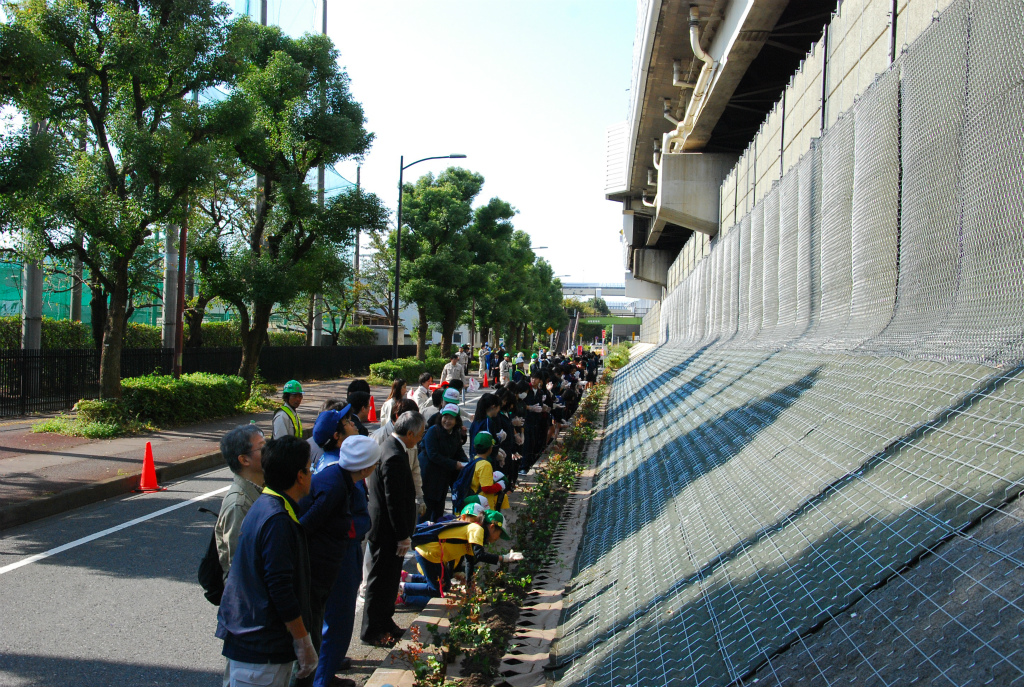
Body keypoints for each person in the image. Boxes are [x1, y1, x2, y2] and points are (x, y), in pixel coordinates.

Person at [216, 436, 317, 686]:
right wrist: (302, 641)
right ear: (300, 476)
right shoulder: (277, 520)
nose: (313, 473)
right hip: (261, 651)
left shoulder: (266, 503)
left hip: (255, 642)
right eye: (310, 468)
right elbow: (280, 587)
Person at [299, 434, 380, 687]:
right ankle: (321, 680)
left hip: (335, 555)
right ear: (366, 467)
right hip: (334, 560)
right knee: (338, 622)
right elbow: (305, 525)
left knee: (330, 621)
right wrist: (346, 529)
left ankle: (326, 671)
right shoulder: (336, 486)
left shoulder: (337, 477)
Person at [361, 411, 425, 647]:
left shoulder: (391, 446)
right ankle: (371, 630)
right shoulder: (394, 455)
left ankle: (385, 622)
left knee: (389, 581)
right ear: (409, 433)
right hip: (387, 531)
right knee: (380, 582)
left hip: (390, 530)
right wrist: (402, 536)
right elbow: (394, 500)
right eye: (419, 434)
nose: (420, 438)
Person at [401, 509, 520, 606]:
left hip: (434, 554)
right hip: (430, 552)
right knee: (436, 590)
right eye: (499, 534)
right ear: (492, 527)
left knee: (445, 585)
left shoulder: (473, 529)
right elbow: (480, 555)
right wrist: (503, 558)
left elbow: (470, 561)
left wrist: (469, 587)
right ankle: (401, 590)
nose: (497, 539)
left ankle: (407, 578)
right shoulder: (477, 530)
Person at [215, 425, 267, 579]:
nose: (269, 452)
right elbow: (239, 564)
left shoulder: (263, 488)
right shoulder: (239, 504)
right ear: (244, 459)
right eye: (262, 447)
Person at [419, 403, 468, 523]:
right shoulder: (433, 431)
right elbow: (433, 455)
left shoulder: (455, 433)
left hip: (442, 478)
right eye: (445, 417)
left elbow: (458, 451)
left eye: (451, 418)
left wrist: (468, 464)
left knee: (438, 511)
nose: (447, 421)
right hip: (429, 477)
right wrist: (454, 464)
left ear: (457, 421)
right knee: (426, 512)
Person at [468, 432, 508, 511]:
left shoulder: (475, 460)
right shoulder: (485, 464)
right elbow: (486, 488)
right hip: (484, 506)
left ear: (474, 446)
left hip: (475, 503)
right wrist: (500, 485)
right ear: (490, 448)